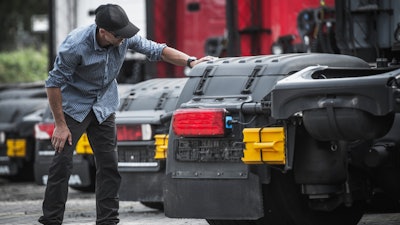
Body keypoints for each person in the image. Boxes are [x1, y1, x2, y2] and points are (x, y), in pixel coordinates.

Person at [38, 4, 213, 225]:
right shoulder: (75, 46)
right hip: (73, 108)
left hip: (103, 105)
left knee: (109, 165)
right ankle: (51, 220)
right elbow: (53, 84)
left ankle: (108, 220)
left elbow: (157, 50)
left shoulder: (125, 36)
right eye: (118, 35)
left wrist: (191, 61)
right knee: (62, 164)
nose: (123, 39)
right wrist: (60, 125)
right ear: (103, 31)